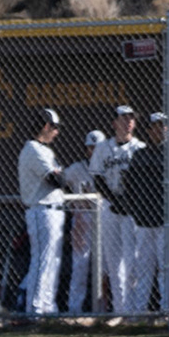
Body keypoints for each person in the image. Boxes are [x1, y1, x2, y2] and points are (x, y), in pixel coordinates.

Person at [114, 110, 168, 316]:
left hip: (165, 221)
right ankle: (139, 311)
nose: (160, 130)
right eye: (156, 127)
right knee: (143, 268)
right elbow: (130, 186)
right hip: (144, 221)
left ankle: (167, 310)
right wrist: (136, 211)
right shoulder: (140, 155)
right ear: (149, 130)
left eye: (163, 126)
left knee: (165, 268)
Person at [93, 105, 145, 315]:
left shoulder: (139, 147)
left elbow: (143, 180)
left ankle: (133, 310)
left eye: (131, 118)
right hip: (110, 206)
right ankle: (120, 310)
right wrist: (114, 199)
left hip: (133, 208)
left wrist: (128, 201)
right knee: (114, 262)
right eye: (124, 118)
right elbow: (97, 177)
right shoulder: (103, 147)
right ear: (114, 123)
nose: (128, 122)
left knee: (133, 261)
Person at [15, 108, 65, 319]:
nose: (56, 132)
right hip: (41, 210)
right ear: (45, 126)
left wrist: (62, 174)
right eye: (55, 127)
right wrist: (62, 174)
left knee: (52, 262)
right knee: (42, 261)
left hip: (53, 211)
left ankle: (47, 307)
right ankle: (34, 310)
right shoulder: (33, 149)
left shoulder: (45, 150)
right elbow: (57, 180)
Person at [62, 129, 105, 315]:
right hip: (83, 218)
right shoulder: (76, 168)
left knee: (105, 267)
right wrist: (71, 205)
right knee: (80, 265)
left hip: (105, 219)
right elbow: (59, 183)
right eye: (91, 148)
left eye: (98, 148)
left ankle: (104, 310)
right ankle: (75, 310)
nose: (94, 151)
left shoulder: (109, 167)